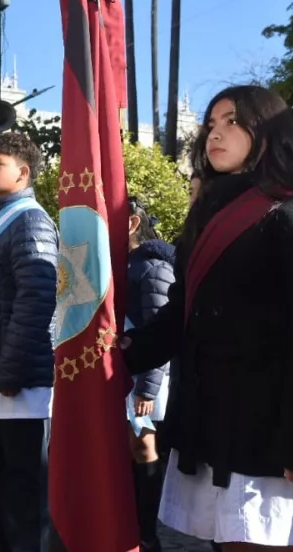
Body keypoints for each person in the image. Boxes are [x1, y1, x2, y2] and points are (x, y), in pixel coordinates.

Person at [122, 86, 293, 551]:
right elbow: (182, 312)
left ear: (268, 133)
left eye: (232, 122)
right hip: (217, 422)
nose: (215, 134)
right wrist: (127, 351)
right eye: (211, 124)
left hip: (276, 431)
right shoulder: (209, 216)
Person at [0, 131, 58, 552]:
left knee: (24, 504)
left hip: (19, 388)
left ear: (22, 173)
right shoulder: (1, 218)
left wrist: (11, 370)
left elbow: (36, 300)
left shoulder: (31, 221)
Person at [123, 196, 175, 552]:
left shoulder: (153, 266)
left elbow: (160, 329)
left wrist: (148, 388)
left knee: (144, 446)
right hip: (123, 375)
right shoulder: (118, 264)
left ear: (132, 223)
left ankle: (146, 533)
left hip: (145, 378)